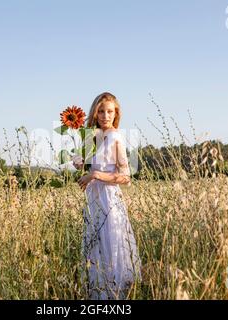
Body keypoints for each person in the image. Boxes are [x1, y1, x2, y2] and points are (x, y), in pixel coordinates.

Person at [74, 92, 142, 300]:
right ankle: (97, 293)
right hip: (93, 200)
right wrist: (79, 162)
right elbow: (86, 164)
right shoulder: (91, 136)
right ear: (95, 113)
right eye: (101, 111)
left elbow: (126, 176)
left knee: (112, 243)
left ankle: (116, 295)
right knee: (95, 245)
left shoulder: (115, 137)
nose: (105, 115)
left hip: (110, 199)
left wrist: (95, 174)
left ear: (116, 113)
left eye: (110, 111)